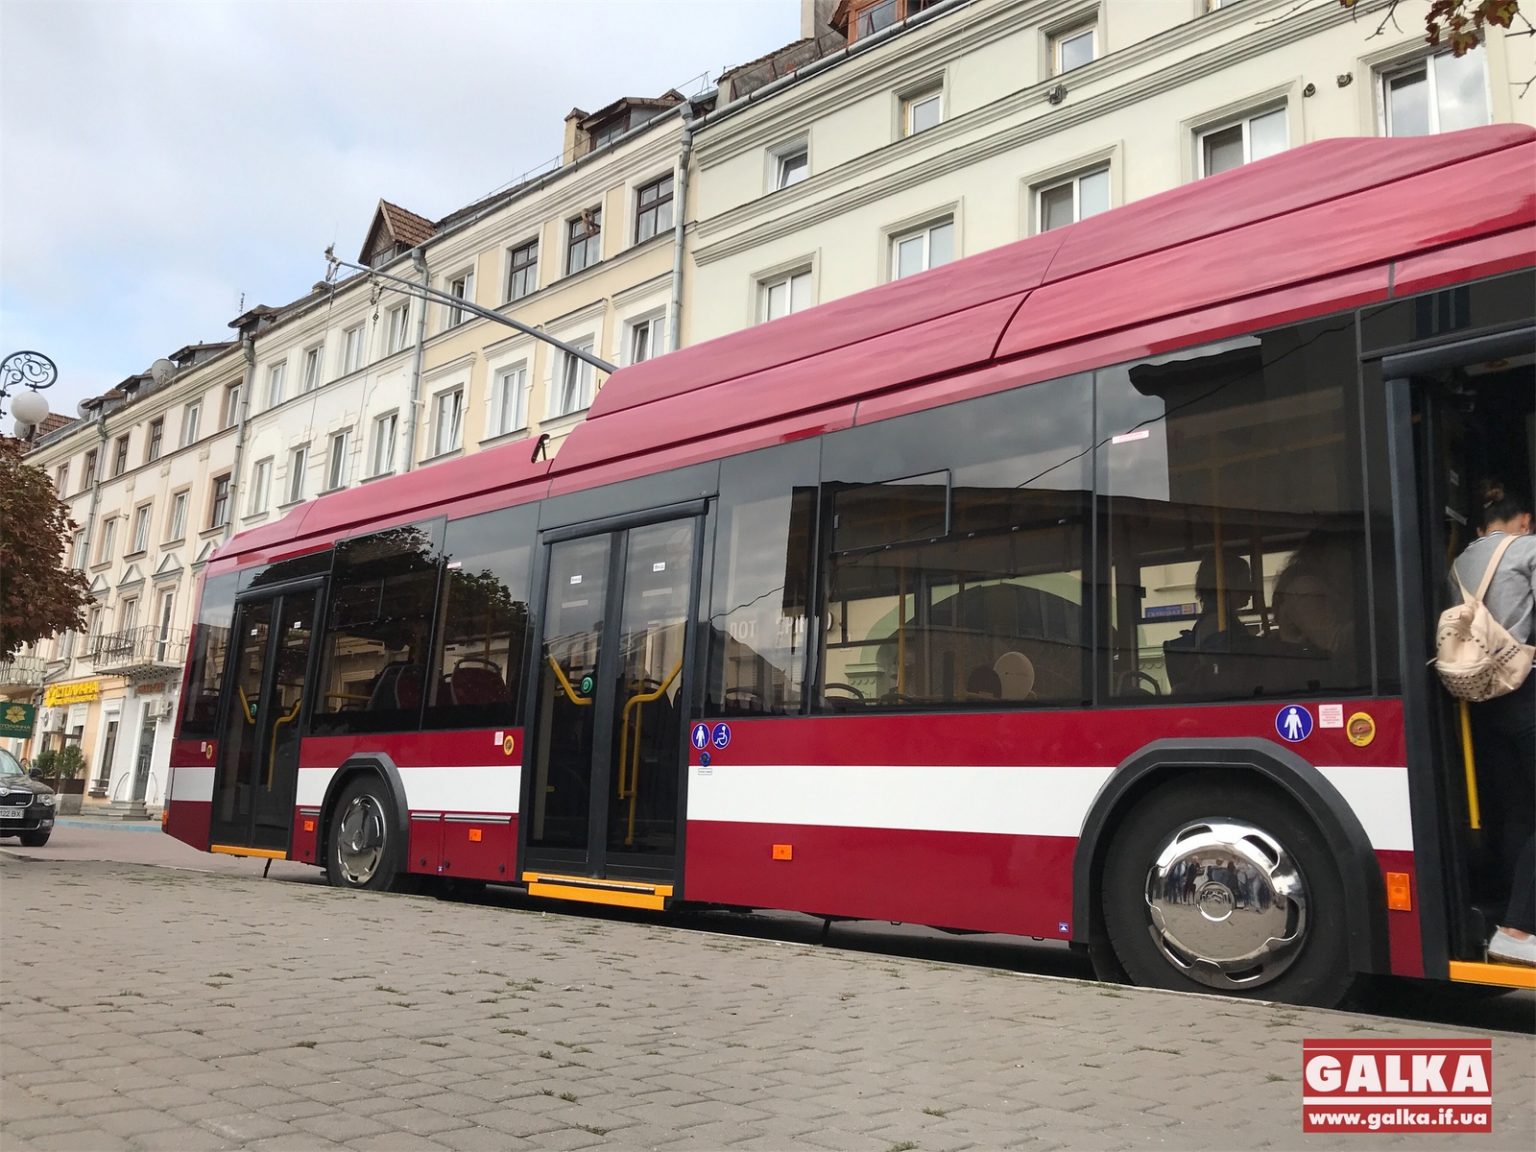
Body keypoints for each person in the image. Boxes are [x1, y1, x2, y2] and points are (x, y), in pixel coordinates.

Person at [1451, 481, 1536, 967]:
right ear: (1524, 520)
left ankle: (1512, 913)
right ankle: (1518, 928)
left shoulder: (1460, 562)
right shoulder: (1527, 549)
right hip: (1525, 689)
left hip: (1481, 699)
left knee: (1518, 812)